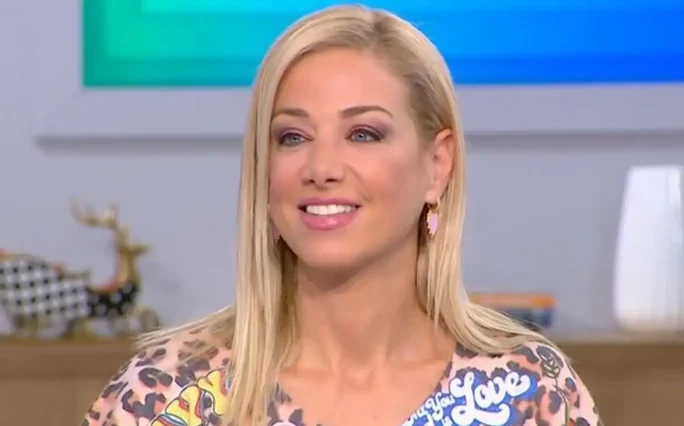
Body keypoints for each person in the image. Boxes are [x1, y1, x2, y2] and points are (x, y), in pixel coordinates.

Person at [81, 5, 601, 426]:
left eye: (363, 134)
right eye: (292, 137)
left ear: (437, 165)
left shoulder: (530, 390)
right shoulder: (166, 395)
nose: (321, 168)